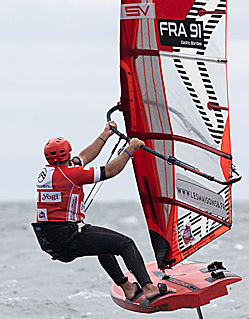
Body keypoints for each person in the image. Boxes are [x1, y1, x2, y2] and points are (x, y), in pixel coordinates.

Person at [32, 122, 171, 304]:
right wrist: (131, 149)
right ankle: (148, 288)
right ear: (68, 154)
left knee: (103, 245)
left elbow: (83, 157)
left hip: (50, 239)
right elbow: (110, 171)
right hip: (68, 235)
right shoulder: (71, 174)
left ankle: (128, 288)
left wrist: (105, 135)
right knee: (126, 244)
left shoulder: (47, 173)